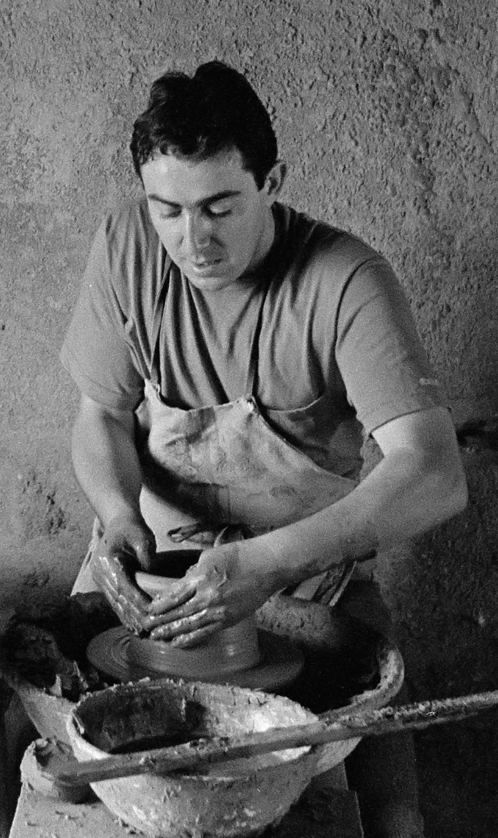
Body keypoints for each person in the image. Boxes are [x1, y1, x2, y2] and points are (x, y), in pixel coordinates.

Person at [62, 63, 467, 838]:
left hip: (305, 572)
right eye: (168, 211)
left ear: (271, 181)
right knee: (49, 743)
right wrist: (116, 516)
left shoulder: (345, 280)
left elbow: (435, 472)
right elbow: (101, 416)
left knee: (383, 791)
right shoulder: (126, 246)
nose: (192, 239)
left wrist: (269, 565)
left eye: (219, 206)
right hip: (155, 572)